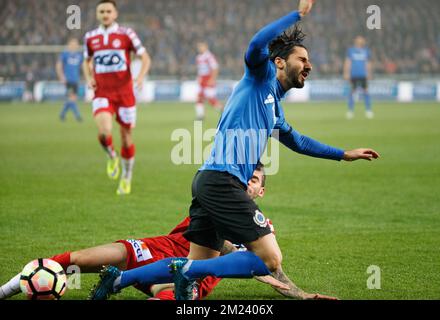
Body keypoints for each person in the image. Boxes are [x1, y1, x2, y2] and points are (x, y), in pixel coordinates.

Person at [90, 0, 378, 301]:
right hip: (223, 183)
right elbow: (256, 42)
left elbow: (300, 142)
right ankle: (186, 272)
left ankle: (119, 279)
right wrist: (297, 15)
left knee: (197, 262)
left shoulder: (274, 108)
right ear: (279, 62)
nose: (309, 65)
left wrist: (343, 154)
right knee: (269, 258)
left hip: (209, 182)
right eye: (302, 59)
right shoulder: (259, 76)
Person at [0, 166, 306, 300]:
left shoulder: (262, 228)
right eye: (245, 177)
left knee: (172, 296)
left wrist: (300, 294)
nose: (248, 183)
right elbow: (241, 255)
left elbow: (269, 268)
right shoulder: (217, 197)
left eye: (254, 180)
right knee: (81, 259)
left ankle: (122, 283)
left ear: (261, 190)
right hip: (160, 248)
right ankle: (8, 288)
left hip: (192, 275)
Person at [83, 0, 151, 195]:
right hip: (102, 92)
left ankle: (126, 176)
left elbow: (145, 57)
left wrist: (139, 77)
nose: (105, 14)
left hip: (125, 93)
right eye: (101, 11)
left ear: (115, 14)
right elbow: (86, 61)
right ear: (97, 14)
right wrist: (89, 78)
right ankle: (111, 155)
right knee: (105, 131)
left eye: (108, 11)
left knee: (126, 136)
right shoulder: (90, 37)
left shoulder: (126, 34)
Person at [343, 36, 373, 119]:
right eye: (359, 39)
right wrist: (346, 73)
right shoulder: (351, 51)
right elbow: (347, 62)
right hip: (354, 75)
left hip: (363, 75)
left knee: (366, 92)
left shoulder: (366, 51)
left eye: (362, 39)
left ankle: (368, 110)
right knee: (352, 92)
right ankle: (350, 111)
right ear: (356, 41)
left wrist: (369, 73)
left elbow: (368, 63)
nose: (361, 40)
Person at [56, 37, 83, 122]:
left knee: (71, 99)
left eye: (76, 44)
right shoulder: (65, 54)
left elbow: (83, 66)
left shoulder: (79, 55)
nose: (75, 45)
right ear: (69, 44)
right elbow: (58, 65)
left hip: (76, 80)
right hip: (68, 80)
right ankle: (78, 116)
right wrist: (61, 76)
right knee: (72, 98)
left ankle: (62, 114)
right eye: (73, 43)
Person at [194, 41, 223, 120]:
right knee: (199, 97)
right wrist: (199, 78)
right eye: (199, 47)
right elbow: (200, 70)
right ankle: (200, 115)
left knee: (210, 99)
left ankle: (223, 111)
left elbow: (215, 68)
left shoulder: (209, 56)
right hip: (202, 79)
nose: (200, 48)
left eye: (201, 46)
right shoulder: (199, 57)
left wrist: (212, 79)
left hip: (208, 79)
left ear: (206, 47)